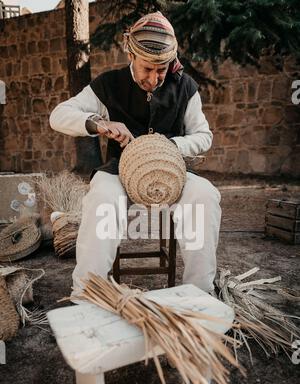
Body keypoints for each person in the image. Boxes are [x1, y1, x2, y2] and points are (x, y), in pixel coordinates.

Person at [49, 11, 221, 299]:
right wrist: (99, 123)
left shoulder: (185, 87)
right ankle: (88, 292)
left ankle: (199, 294)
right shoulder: (108, 84)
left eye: (161, 70)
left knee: (204, 195)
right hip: (119, 172)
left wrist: (168, 148)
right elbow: (58, 115)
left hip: (172, 173)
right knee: (102, 198)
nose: (154, 79)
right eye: (147, 69)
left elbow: (204, 136)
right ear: (130, 55)